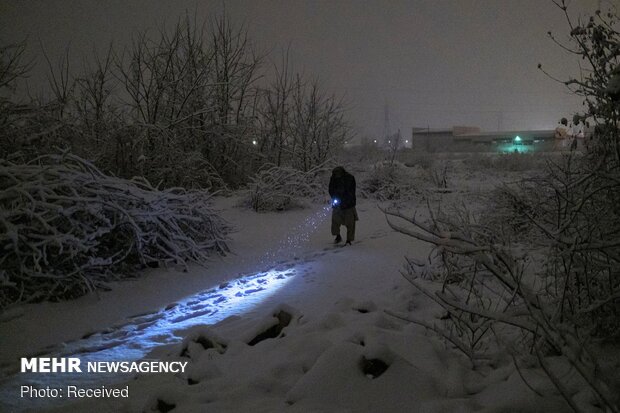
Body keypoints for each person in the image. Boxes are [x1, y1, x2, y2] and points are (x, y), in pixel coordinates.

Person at [328, 166, 358, 245]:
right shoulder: (333, 178)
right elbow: (330, 189)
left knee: (350, 223)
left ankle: (349, 240)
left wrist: (345, 199)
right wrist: (335, 197)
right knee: (335, 221)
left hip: (349, 204)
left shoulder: (349, 178)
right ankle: (337, 236)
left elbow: (351, 191)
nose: (336, 175)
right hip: (337, 204)